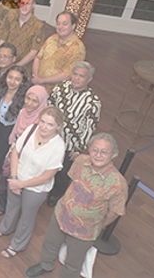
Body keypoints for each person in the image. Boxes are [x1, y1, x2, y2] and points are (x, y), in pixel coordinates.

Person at [25, 133, 128, 278]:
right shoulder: (80, 161)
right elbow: (71, 181)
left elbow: (115, 211)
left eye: (104, 152)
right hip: (61, 215)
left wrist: (97, 225)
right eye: (94, 150)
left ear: (114, 155)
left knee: (73, 262)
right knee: (50, 244)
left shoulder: (118, 183)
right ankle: (45, 264)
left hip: (85, 231)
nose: (98, 155)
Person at [0, 107, 66, 259]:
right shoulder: (31, 129)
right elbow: (16, 152)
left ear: (58, 127)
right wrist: (15, 177)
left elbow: (47, 176)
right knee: (11, 207)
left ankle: (18, 244)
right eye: (42, 121)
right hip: (18, 177)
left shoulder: (58, 146)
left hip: (36, 188)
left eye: (50, 124)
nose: (44, 126)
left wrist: (20, 185)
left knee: (26, 217)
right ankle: (4, 229)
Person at [46, 61, 101, 207]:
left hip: (69, 144)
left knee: (62, 173)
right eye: (75, 74)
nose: (76, 78)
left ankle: (57, 194)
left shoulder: (92, 102)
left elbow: (90, 127)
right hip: (50, 137)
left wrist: (78, 148)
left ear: (89, 79)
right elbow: (50, 104)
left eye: (81, 76)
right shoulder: (61, 87)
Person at [0, 85, 48, 218]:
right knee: (5, 182)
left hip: (27, 158)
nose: (30, 103)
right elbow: (15, 131)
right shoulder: (22, 112)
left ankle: (11, 215)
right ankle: (1, 207)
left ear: (41, 103)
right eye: (28, 98)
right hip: (13, 151)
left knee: (17, 189)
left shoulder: (41, 122)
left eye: (35, 101)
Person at [0, 66, 31, 204]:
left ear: (22, 82)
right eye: (10, 77)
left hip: (9, 131)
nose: (12, 81)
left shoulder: (23, 100)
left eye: (17, 79)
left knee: (1, 158)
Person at [32, 12, 86, 93]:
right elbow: (38, 58)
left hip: (57, 91)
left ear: (73, 26)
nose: (60, 27)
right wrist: (36, 78)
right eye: (58, 23)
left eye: (65, 24)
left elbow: (68, 74)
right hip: (38, 85)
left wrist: (42, 80)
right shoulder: (51, 38)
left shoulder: (78, 48)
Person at [0, 0, 44, 74]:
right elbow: (2, 41)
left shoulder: (38, 25)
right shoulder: (10, 17)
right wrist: (2, 60)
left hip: (22, 68)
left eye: (28, 3)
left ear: (33, 5)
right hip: (4, 63)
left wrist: (15, 66)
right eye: (22, 2)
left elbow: (33, 53)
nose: (24, 6)